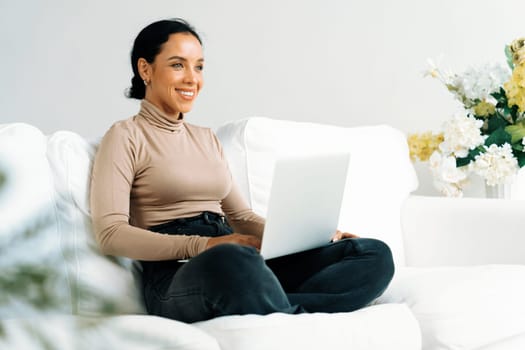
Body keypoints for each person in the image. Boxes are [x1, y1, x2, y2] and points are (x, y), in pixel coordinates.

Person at [90, 18, 394, 323]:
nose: (192, 79)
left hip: (237, 258)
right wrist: (206, 245)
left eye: (199, 67)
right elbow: (111, 233)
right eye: (178, 65)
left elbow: (241, 217)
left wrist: (315, 237)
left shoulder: (205, 138)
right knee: (233, 261)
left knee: (373, 254)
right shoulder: (124, 136)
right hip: (181, 273)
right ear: (145, 69)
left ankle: (275, 308)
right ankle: (279, 307)